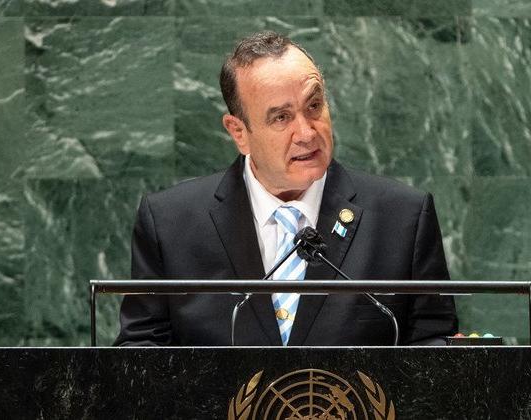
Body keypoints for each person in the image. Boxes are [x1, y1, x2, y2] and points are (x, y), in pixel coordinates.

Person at [115, 31, 457, 346]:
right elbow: (139, 356)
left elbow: (434, 350)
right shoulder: (170, 224)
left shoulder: (403, 219)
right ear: (239, 132)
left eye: (314, 106)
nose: (307, 133)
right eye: (281, 117)